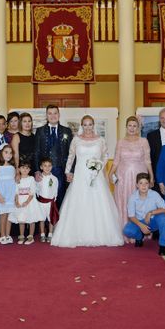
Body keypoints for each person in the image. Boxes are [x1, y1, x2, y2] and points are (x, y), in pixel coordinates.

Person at [51, 115, 124, 248]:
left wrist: (99, 166)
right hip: (79, 176)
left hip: (96, 176)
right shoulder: (76, 140)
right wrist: (68, 172)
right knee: (79, 202)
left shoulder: (100, 140)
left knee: (98, 203)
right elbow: (71, 156)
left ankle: (101, 235)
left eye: (90, 124)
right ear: (81, 126)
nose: (88, 127)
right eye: (85, 124)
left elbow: (106, 155)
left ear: (93, 125)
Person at [109, 116, 153, 227]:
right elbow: (116, 161)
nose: (132, 128)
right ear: (126, 127)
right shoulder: (120, 142)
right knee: (124, 202)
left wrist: (151, 177)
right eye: (130, 126)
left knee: (139, 202)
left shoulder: (144, 141)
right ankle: (124, 228)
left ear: (138, 128)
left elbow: (148, 161)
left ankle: (140, 230)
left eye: (135, 126)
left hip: (139, 178)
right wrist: (110, 174)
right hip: (123, 177)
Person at [33, 105, 73, 207]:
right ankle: (46, 222)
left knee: (60, 196)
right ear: (46, 115)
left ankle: (59, 221)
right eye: (50, 113)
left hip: (61, 170)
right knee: (44, 197)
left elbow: (72, 153)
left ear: (59, 115)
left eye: (55, 113)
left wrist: (70, 171)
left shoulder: (67, 131)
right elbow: (36, 152)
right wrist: (37, 170)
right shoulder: (40, 131)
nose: (53, 115)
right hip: (44, 172)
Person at [123, 173, 165, 255]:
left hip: (153, 221)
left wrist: (150, 213)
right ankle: (139, 237)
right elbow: (131, 216)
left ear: (149, 185)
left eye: (146, 183)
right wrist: (141, 226)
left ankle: (163, 245)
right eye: (141, 183)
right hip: (139, 221)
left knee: (163, 218)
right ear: (137, 185)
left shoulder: (154, 194)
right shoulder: (133, 197)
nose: (143, 186)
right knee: (127, 230)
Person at [0, 145, 17, 245]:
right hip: (1, 194)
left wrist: (15, 195)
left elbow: (13, 182)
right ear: (1, 153)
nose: (8, 155)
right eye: (6, 152)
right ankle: (2, 235)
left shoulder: (12, 167)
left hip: (10, 193)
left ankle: (8, 235)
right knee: (3, 215)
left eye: (10, 153)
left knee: (9, 215)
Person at [9, 160, 43, 245]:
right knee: (21, 219)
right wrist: (16, 201)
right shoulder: (17, 179)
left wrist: (27, 201)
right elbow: (16, 191)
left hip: (29, 201)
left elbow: (32, 192)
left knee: (31, 219)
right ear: (19, 169)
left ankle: (31, 236)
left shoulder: (31, 179)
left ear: (29, 170)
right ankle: (21, 235)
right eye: (23, 168)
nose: (25, 170)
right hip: (20, 200)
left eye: (27, 168)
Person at [147, 108, 165, 193]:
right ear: (159, 119)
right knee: (159, 205)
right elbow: (149, 158)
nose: (164, 120)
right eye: (162, 118)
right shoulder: (151, 136)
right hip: (157, 178)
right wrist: (151, 177)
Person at [36, 157, 59, 243]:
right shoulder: (38, 178)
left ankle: (50, 234)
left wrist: (54, 199)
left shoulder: (54, 179)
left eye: (49, 166)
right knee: (41, 219)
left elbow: (55, 189)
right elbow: (37, 189)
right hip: (41, 202)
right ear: (41, 167)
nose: (47, 168)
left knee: (51, 219)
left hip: (50, 202)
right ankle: (42, 234)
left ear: (52, 167)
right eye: (45, 166)